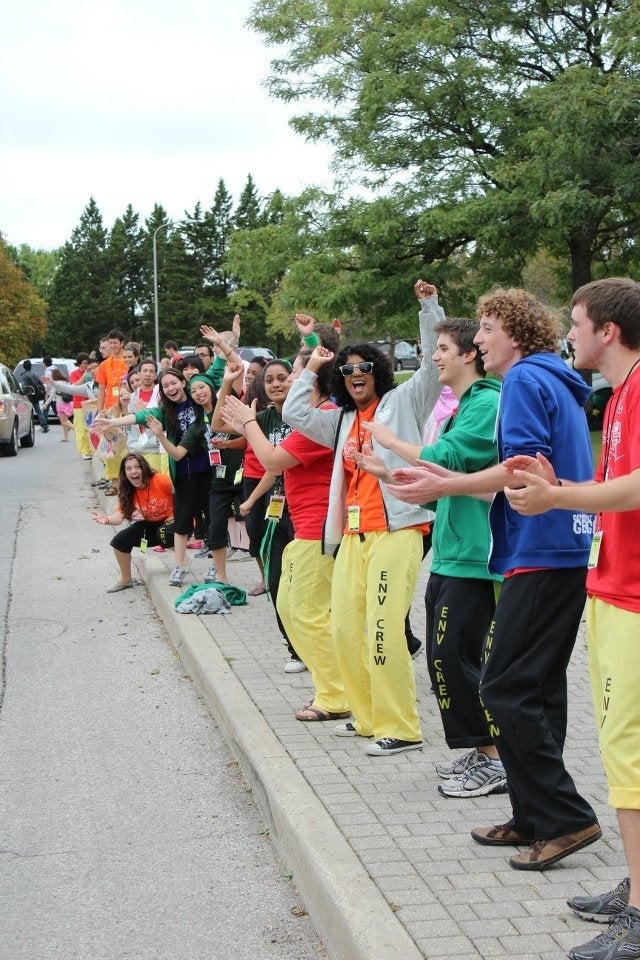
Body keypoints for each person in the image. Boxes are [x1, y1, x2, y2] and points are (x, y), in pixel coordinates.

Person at [388, 287, 601, 866]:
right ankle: (534, 815)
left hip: (543, 549)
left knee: (503, 687)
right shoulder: (548, 378)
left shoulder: (527, 381)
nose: (478, 340)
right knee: (536, 687)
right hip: (560, 548)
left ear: (515, 333)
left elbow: (521, 470)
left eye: (485, 328)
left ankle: (566, 817)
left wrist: (443, 486)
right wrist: (446, 477)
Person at [503, 278, 640, 959]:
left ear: (608, 330)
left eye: (579, 323)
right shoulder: (614, 395)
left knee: (631, 752)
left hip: (633, 595)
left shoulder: (638, 388)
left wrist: (557, 497)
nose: (571, 335)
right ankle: (637, 885)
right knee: (621, 749)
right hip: (612, 586)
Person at [281, 280, 442, 756]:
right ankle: (367, 715)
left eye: (364, 367)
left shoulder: (404, 402)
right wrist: (314, 364)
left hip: (398, 530)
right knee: (346, 628)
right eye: (347, 370)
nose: (355, 374)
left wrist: (428, 306)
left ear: (380, 372)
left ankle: (402, 727)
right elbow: (293, 411)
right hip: (352, 535)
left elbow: (434, 358)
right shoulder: (342, 420)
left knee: (382, 627)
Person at [357, 316, 503, 791]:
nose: (435, 356)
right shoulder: (462, 406)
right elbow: (439, 488)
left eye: (443, 348)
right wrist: (385, 471)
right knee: (445, 658)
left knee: (459, 658)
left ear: (468, 355)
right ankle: (481, 752)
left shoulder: (488, 401)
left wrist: (392, 441)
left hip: (477, 556)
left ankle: (497, 760)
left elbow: (451, 459)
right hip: (450, 551)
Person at [222, 337, 349, 723]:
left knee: (309, 614)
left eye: (293, 373)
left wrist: (247, 422)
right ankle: (332, 686)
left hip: (319, 529)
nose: (286, 380)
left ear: (313, 381)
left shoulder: (323, 417)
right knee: (289, 608)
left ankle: (336, 693)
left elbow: (273, 460)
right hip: (304, 528)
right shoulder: (311, 417)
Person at [94, 368, 210, 587]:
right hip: (183, 473)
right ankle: (176, 567)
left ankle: (215, 565)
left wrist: (225, 348)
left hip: (208, 470)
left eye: (173, 383)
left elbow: (214, 379)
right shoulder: (166, 412)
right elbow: (140, 416)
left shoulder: (197, 403)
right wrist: (114, 422)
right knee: (178, 525)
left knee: (209, 519)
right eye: (165, 386)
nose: (171, 388)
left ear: (183, 382)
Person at [92, 453, 173, 593]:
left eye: (137, 467)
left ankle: (182, 565)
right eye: (129, 468)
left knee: (165, 533)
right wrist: (107, 519)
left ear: (144, 469)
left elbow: (182, 495)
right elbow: (119, 516)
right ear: (125, 473)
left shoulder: (160, 480)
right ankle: (126, 579)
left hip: (174, 521)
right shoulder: (127, 490)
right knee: (119, 541)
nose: (133, 471)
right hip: (149, 524)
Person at [20, 359, 48, 432]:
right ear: (30, 367)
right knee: (38, 410)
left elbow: (24, 387)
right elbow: (40, 383)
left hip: (27, 396)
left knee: (21, 411)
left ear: (23, 367)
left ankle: (22, 426)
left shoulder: (24, 376)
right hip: (35, 395)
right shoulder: (35, 374)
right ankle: (44, 425)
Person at [47, 368, 75, 441]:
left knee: (64, 422)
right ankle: (66, 437)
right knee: (64, 421)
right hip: (68, 404)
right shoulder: (66, 382)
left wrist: (45, 405)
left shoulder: (55, 384)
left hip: (60, 405)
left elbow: (52, 395)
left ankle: (77, 430)